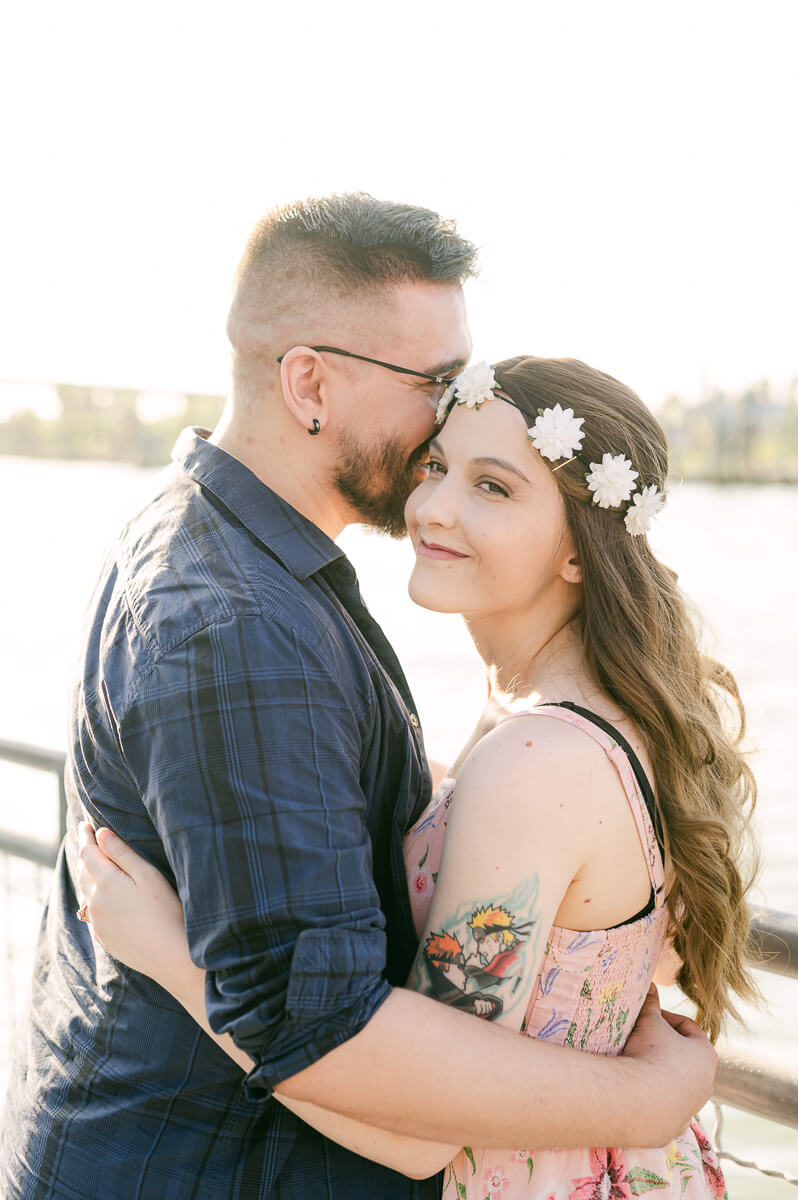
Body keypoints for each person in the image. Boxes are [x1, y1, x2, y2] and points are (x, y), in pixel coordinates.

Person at [0, 195, 717, 1199]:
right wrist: (645, 1101)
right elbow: (327, 1038)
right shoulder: (239, 626)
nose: (447, 419)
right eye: (436, 383)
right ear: (309, 385)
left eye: (493, 480)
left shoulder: (230, 553)